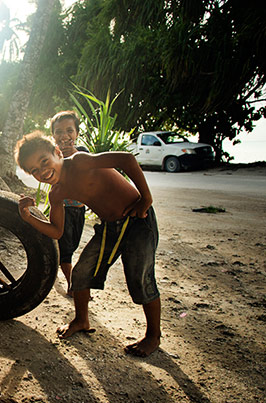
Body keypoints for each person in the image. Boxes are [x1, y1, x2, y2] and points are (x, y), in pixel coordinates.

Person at [15, 131, 161, 357]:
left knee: (140, 278)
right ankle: (81, 320)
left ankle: (153, 335)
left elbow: (127, 159)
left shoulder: (81, 162)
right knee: (81, 273)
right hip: (110, 228)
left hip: (138, 219)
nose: (42, 171)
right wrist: (28, 218)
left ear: (57, 153)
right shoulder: (57, 194)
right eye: (34, 170)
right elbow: (56, 231)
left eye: (44, 161)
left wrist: (146, 198)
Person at [50, 110, 89, 295]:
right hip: (62, 209)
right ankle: (73, 285)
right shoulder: (51, 156)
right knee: (66, 251)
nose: (64, 136)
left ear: (77, 133)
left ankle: (56, 263)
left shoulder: (83, 153)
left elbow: (87, 174)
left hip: (79, 210)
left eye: (69, 130)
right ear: (53, 135)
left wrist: (71, 153)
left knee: (71, 247)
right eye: (58, 132)